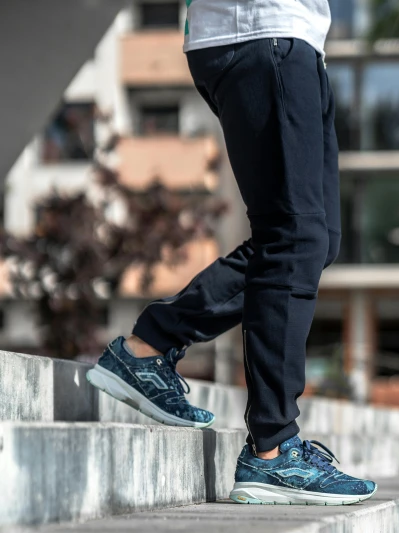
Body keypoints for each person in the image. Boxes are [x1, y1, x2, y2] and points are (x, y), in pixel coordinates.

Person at [87, 0, 377, 506]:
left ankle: (149, 346)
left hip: (295, 39)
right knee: (293, 235)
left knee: (314, 240)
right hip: (262, 31)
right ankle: (273, 449)